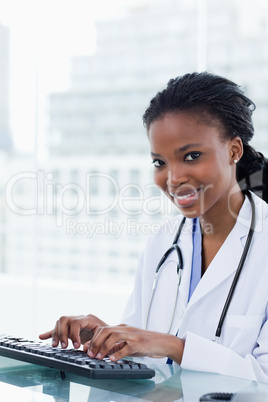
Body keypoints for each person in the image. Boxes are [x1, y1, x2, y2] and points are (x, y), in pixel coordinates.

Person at [40, 72, 268, 383]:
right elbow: (147, 352)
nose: (173, 179)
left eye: (191, 156)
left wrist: (174, 347)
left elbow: (264, 376)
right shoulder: (163, 241)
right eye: (160, 162)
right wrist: (108, 338)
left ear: (234, 150)